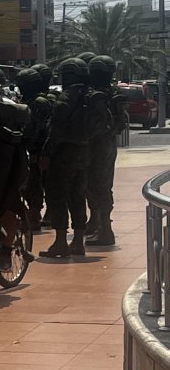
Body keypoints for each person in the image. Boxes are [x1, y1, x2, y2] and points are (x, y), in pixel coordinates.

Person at [41, 58, 110, 258]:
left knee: (57, 196)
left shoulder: (67, 96)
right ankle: (78, 241)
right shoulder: (92, 96)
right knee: (78, 196)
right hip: (85, 150)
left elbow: (55, 127)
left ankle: (61, 241)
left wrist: (46, 153)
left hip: (64, 152)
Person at [85, 55, 124, 246]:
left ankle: (105, 230)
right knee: (103, 185)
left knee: (97, 185)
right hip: (108, 143)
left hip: (97, 144)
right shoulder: (113, 94)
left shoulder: (97, 96)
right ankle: (102, 226)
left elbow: (97, 122)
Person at [15, 69, 52, 228]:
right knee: (31, 184)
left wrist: (36, 150)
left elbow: (41, 128)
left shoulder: (39, 102)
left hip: (38, 149)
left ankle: (34, 216)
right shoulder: (31, 101)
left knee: (35, 184)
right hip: (34, 148)